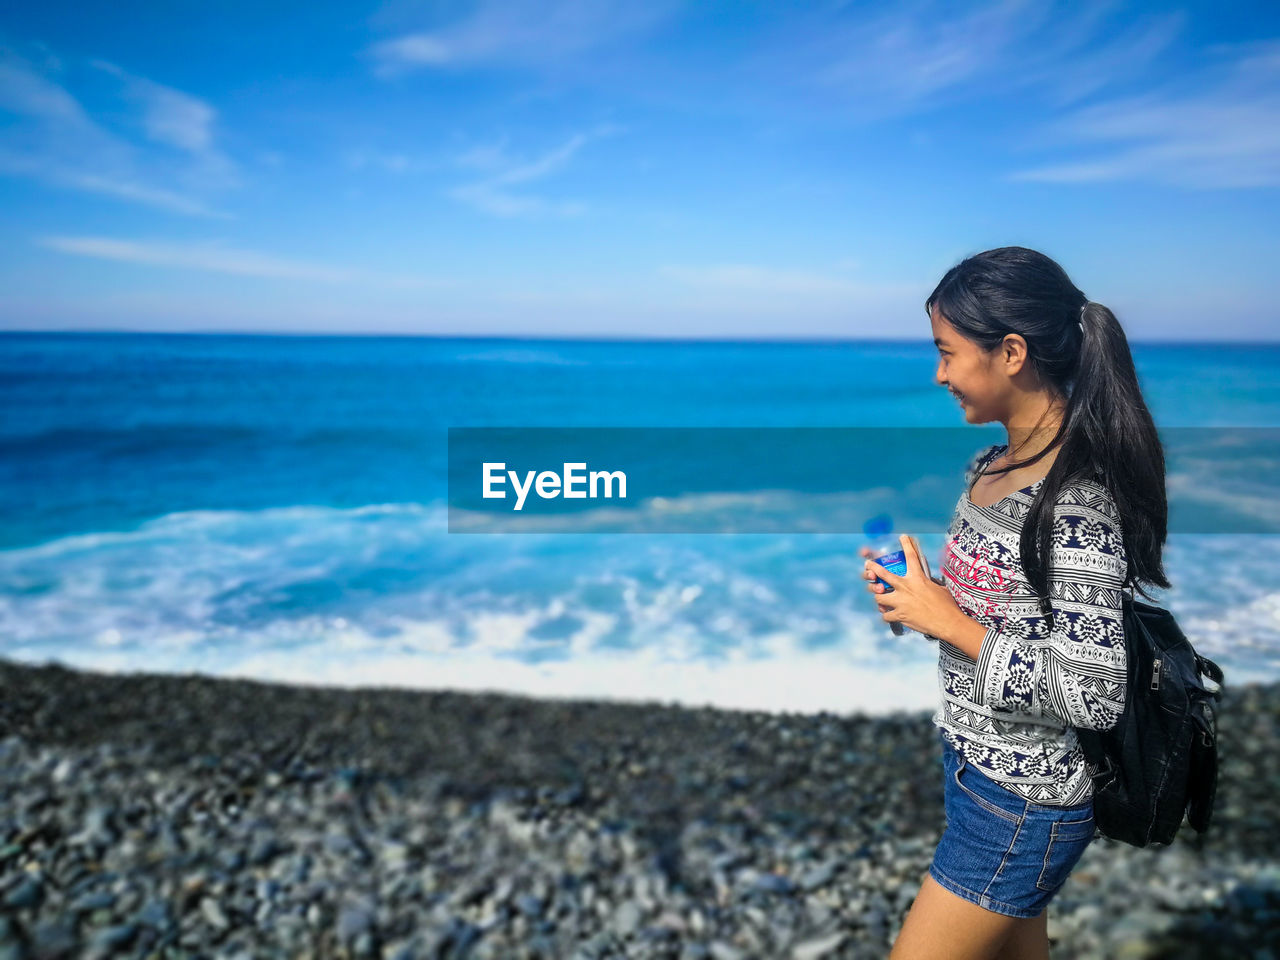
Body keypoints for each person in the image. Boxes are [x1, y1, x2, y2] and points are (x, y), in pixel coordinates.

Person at [862, 246, 1171, 960]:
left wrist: (948, 621)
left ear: (1011, 352)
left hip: (1025, 800)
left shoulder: (1078, 502)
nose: (938, 374)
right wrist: (922, 600)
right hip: (972, 769)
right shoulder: (994, 465)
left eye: (947, 353)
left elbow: (1094, 694)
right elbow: (998, 618)